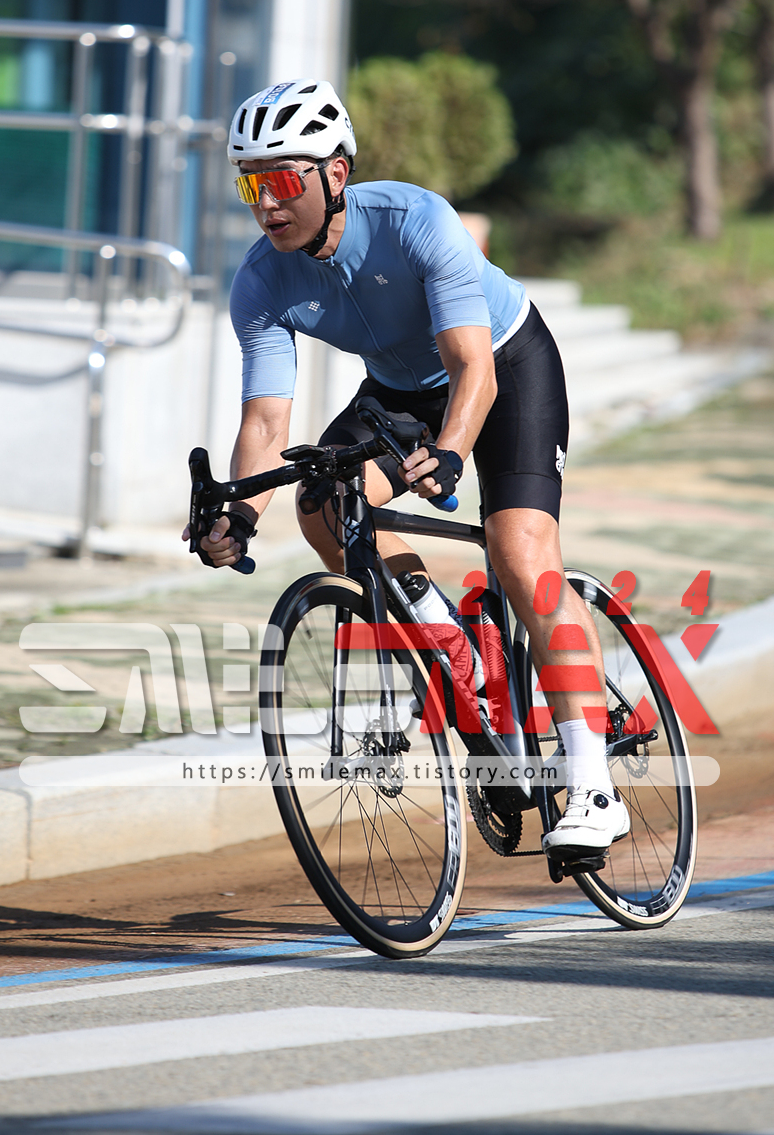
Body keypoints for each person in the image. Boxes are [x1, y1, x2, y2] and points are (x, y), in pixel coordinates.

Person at [185, 77, 626, 859]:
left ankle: (593, 785)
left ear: (335, 174)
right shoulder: (260, 280)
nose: (267, 204)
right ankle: (454, 649)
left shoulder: (415, 220)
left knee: (521, 551)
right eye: (251, 185)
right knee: (323, 504)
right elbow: (265, 424)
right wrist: (238, 516)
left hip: (504, 362)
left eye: (282, 181)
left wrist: (451, 454)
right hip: (399, 392)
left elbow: (473, 370)